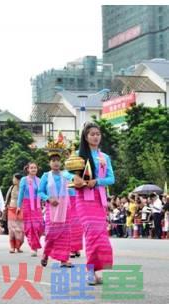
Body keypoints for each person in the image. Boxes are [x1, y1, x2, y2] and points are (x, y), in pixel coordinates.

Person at [64, 122, 115, 285]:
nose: (95, 137)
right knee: (92, 233)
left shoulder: (104, 157)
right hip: (83, 200)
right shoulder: (78, 154)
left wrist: (97, 181)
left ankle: (97, 270)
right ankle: (90, 271)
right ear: (85, 137)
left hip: (99, 200)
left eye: (98, 134)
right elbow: (66, 173)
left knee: (101, 236)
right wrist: (74, 178)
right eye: (92, 134)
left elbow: (111, 178)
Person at [39, 150, 73, 268]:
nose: (56, 163)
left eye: (58, 161)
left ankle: (64, 259)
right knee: (51, 233)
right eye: (53, 161)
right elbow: (40, 192)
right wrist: (48, 199)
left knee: (65, 234)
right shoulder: (45, 176)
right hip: (51, 207)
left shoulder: (66, 174)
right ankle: (45, 254)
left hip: (65, 208)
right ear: (49, 163)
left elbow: (74, 180)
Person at [16, 162, 44, 257]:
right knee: (31, 227)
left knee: (39, 226)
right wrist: (18, 206)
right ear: (28, 169)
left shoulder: (40, 180)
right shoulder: (24, 180)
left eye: (35, 168)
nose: (33, 169)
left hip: (37, 206)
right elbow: (20, 193)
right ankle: (33, 247)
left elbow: (42, 193)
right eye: (31, 168)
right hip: (27, 205)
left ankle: (36, 242)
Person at [5, 173, 24, 253]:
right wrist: (5, 207)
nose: (13, 180)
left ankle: (18, 246)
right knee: (12, 229)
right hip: (11, 210)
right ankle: (12, 247)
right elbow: (7, 198)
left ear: (18, 180)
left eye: (14, 178)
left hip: (21, 210)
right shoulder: (11, 187)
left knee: (20, 229)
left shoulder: (24, 187)